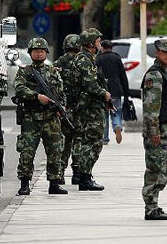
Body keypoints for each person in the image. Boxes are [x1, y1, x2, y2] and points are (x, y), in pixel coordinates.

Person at [14, 38, 67, 195]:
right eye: (35, 51)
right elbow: (19, 89)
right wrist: (36, 96)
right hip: (31, 117)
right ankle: (24, 183)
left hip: (51, 118)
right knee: (27, 151)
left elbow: (61, 93)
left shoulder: (53, 72)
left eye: (41, 51)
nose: (38, 54)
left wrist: (61, 107)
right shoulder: (24, 71)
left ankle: (54, 183)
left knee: (55, 150)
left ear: (46, 53)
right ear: (30, 53)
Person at [141, 38, 167, 220]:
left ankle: (154, 205)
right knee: (155, 170)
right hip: (160, 131)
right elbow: (151, 107)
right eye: (166, 52)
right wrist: (153, 131)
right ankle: (150, 207)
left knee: (163, 170)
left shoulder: (165, 73)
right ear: (157, 53)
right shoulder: (154, 75)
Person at [70, 28, 110, 191]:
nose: (99, 44)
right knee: (93, 142)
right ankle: (85, 176)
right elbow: (90, 85)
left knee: (85, 140)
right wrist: (105, 94)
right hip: (90, 107)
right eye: (98, 41)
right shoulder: (85, 60)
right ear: (91, 43)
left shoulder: (84, 58)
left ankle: (82, 175)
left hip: (85, 106)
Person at [53, 33, 81, 185]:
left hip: (62, 108)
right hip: (78, 108)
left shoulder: (58, 63)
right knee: (78, 139)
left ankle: (60, 173)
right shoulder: (81, 62)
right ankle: (76, 172)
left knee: (63, 142)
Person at [96, 39, 130, 145]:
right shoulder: (117, 58)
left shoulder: (99, 59)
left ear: (102, 48)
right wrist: (126, 92)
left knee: (104, 115)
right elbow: (123, 76)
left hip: (104, 91)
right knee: (116, 111)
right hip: (116, 89)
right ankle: (117, 126)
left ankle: (104, 138)